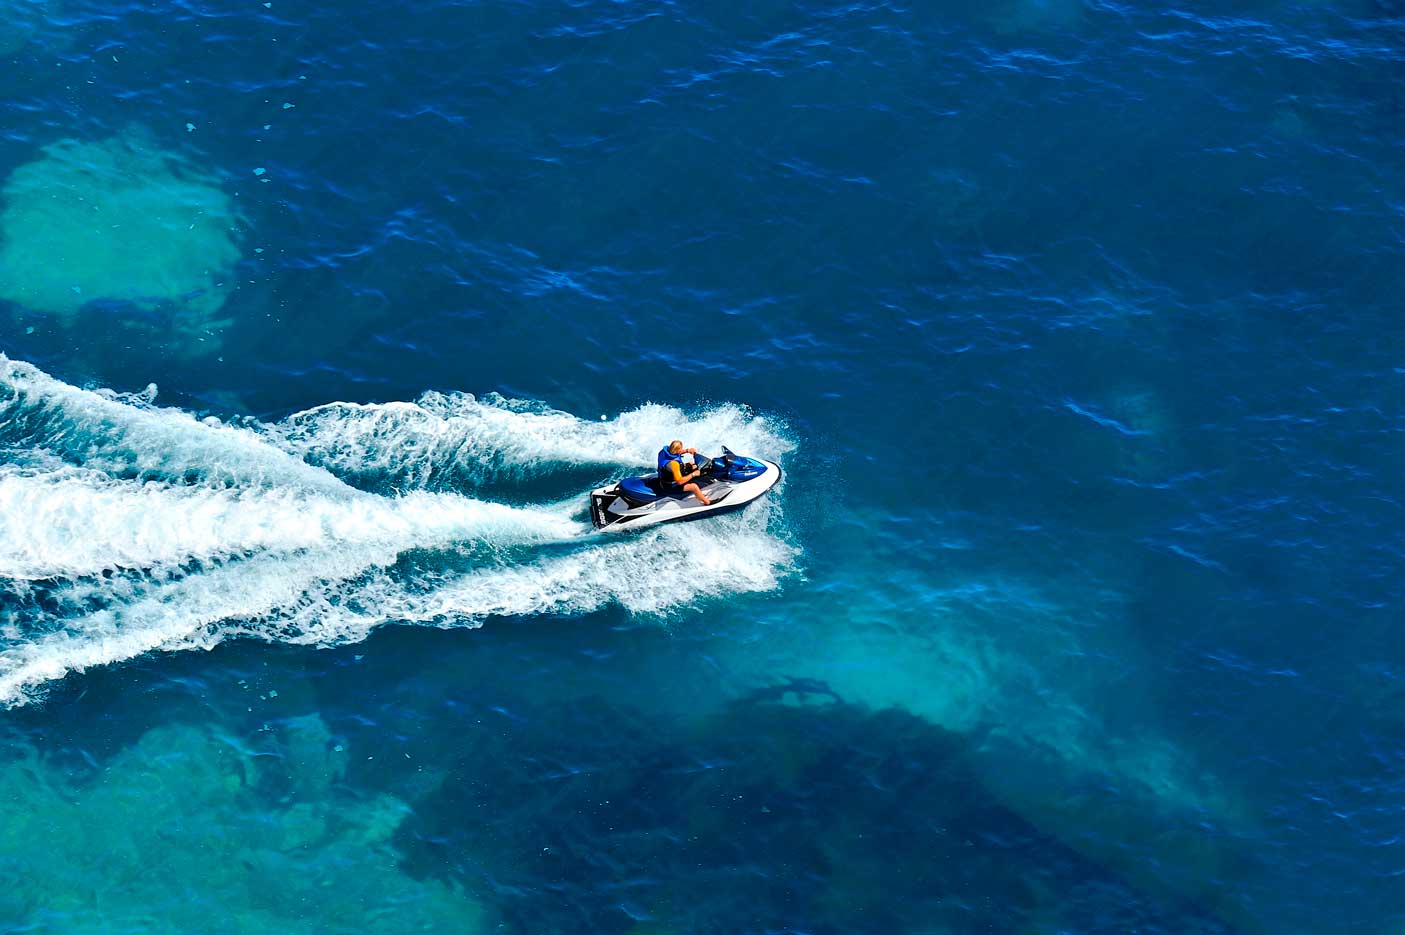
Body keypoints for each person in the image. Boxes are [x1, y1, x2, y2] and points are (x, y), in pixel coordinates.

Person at [657, 439, 710, 505]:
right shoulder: (674, 464)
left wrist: (687, 450)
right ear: (677, 450)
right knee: (694, 487)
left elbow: (675, 453)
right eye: (680, 449)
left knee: (692, 465)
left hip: (666, 475)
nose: (681, 450)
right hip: (670, 485)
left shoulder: (663, 452)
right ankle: (707, 502)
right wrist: (693, 474)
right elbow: (679, 481)